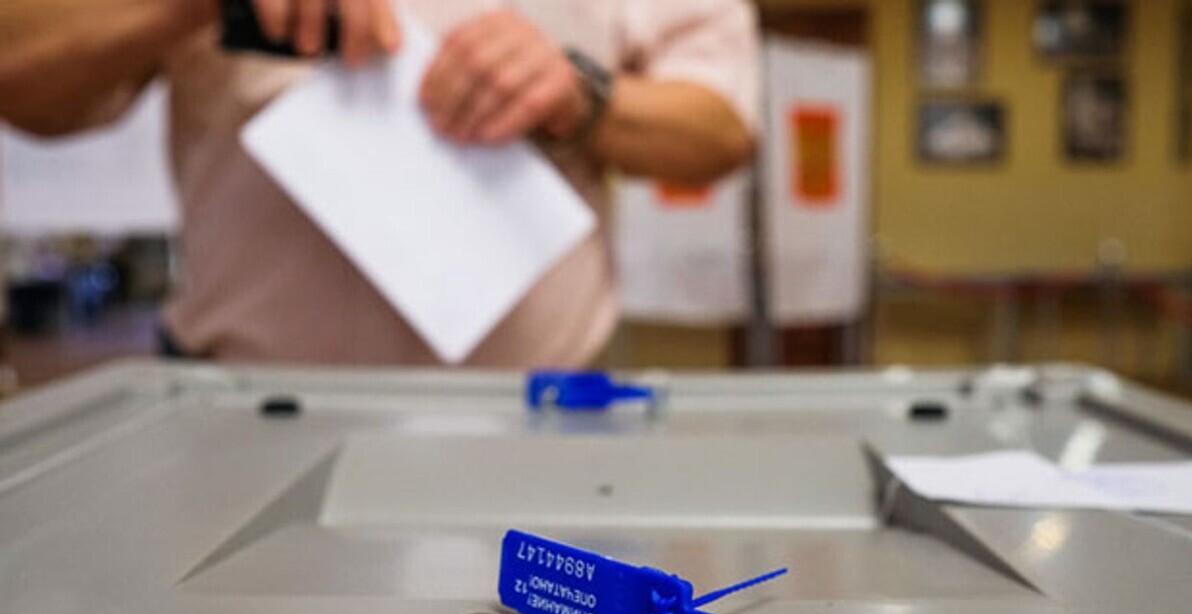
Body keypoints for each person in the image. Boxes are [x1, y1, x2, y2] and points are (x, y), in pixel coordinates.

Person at [0, 0, 759, 367]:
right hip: (238, 412)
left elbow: (724, 128)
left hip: (538, 417)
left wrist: (584, 99)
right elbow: (19, 73)